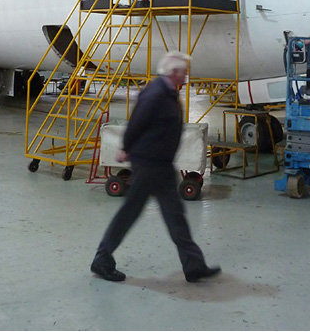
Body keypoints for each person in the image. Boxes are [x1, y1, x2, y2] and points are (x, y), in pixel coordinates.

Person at [90, 51, 220, 283]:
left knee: (175, 215)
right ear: (174, 72)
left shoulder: (168, 93)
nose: (186, 76)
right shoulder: (155, 93)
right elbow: (136, 122)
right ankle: (102, 259)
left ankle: (194, 266)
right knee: (129, 212)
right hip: (148, 163)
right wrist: (126, 147)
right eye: (184, 72)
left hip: (161, 164)